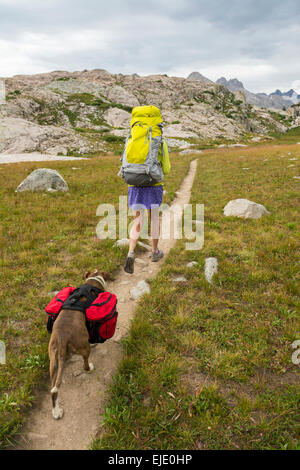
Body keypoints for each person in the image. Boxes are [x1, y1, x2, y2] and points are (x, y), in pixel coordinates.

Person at [124, 141, 170, 274]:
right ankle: (155, 252)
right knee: (154, 219)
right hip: (154, 184)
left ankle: (131, 252)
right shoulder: (160, 141)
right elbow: (166, 168)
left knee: (137, 222)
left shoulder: (131, 139)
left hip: (134, 184)